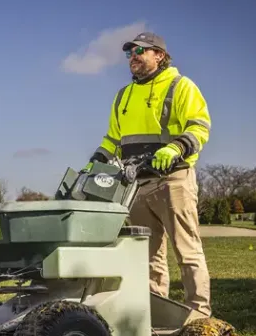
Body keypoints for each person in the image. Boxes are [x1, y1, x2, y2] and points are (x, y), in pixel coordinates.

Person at [85, 31, 212, 317]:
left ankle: (199, 315)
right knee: (148, 257)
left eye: (140, 51)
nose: (133, 57)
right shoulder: (123, 96)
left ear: (159, 55)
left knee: (187, 251)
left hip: (173, 180)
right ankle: (155, 315)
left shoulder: (181, 86)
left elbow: (199, 127)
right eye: (130, 53)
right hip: (137, 185)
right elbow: (112, 140)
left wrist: (176, 148)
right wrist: (96, 161)